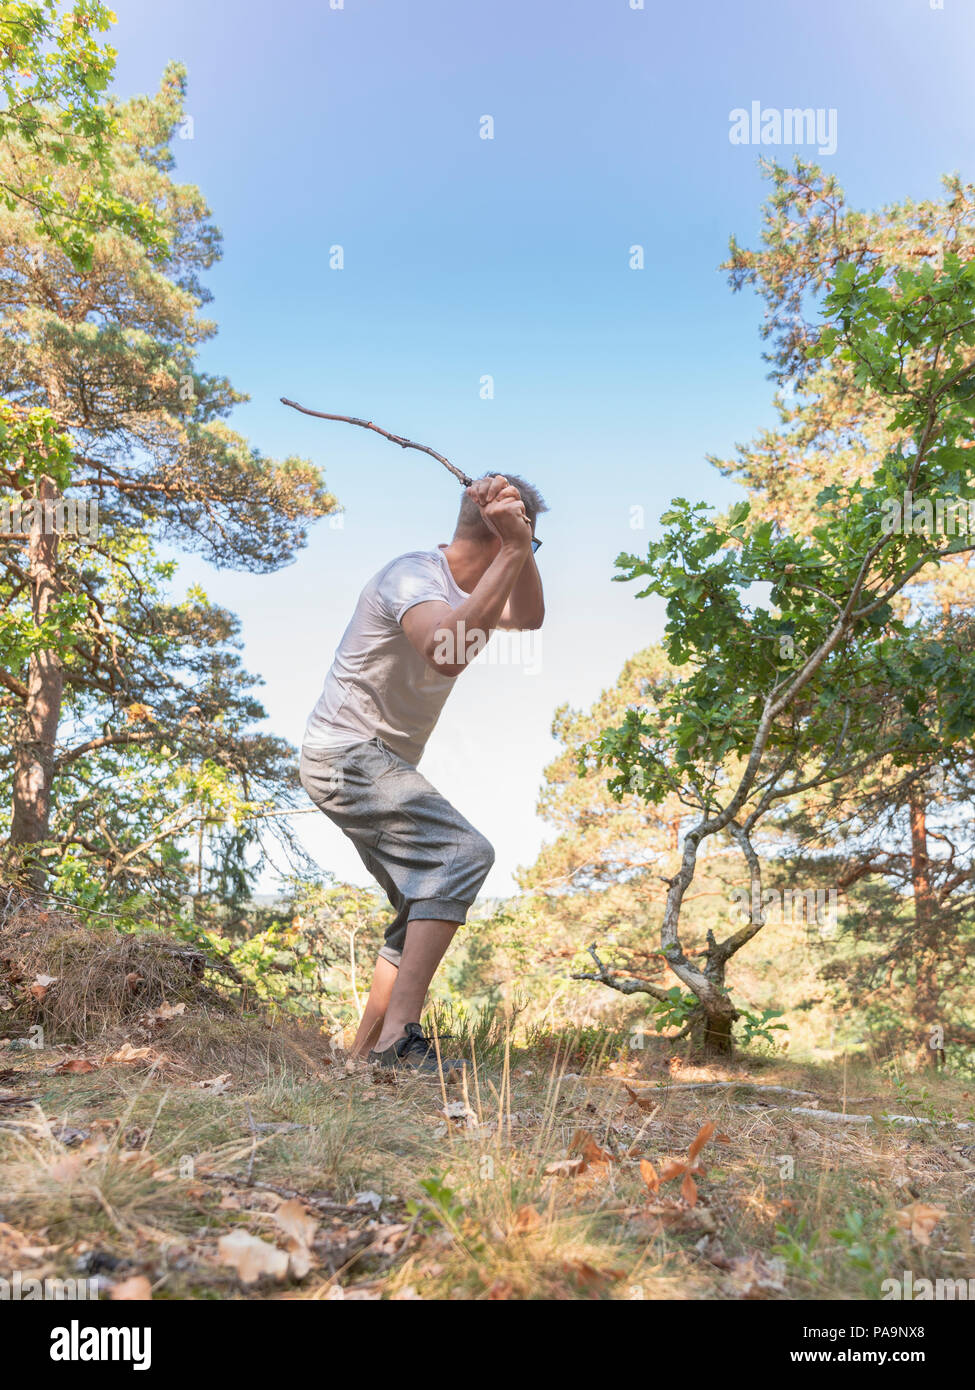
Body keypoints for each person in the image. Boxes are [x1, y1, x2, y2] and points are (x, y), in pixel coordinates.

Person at [299, 473, 547, 1073]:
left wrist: (517, 547)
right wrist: (517, 546)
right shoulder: (412, 575)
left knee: (420, 904)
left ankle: (360, 1057)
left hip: (369, 762)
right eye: (522, 546)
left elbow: (532, 617)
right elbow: (448, 652)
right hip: (346, 754)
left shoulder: (481, 585)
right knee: (462, 854)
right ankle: (396, 1042)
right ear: (501, 538)